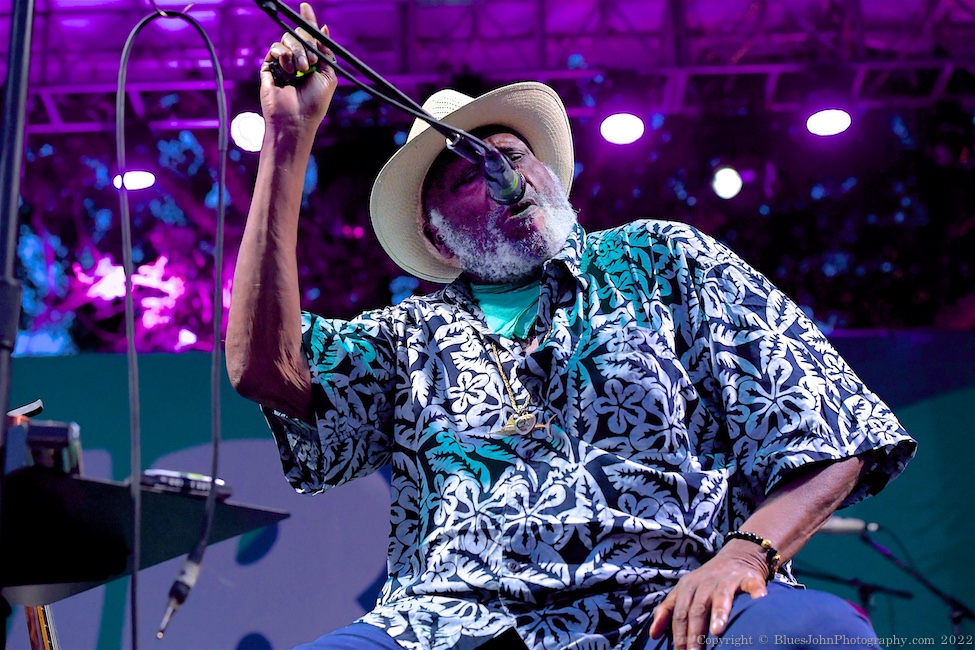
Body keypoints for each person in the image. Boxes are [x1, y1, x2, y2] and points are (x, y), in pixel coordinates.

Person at [226, 4, 917, 649]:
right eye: (467, 175)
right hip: (447, 625)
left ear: (549, 172)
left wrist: (743, 555)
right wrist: (289, 138)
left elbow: (837, 432)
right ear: (437, 239)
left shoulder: (662, 258)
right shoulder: (407, 335)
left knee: (816, 631)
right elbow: (265, 370)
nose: (501, 171)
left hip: (668, 612)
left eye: (510, 152)